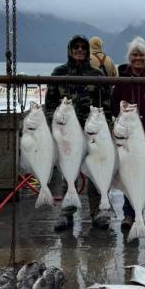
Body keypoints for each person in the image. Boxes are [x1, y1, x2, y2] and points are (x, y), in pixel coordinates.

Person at [44, 34, 111, 232]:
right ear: (70, 50)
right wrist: (54, 128)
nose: (80, 50)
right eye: (76, 47)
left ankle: (98, 213)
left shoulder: (97, 75)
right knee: (68, 174)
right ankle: (66, 214)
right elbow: (50, 106)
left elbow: (105, 105)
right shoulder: (59, 72)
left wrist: (107, 130)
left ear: (88, 50)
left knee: (95, 174)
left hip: (92, 134)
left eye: (83, 47)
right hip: (67, 135)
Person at [110, 36, 145, 231]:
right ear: (129, 57)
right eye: (134, 54)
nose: (138, 58)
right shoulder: (122, 78)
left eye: (141, 55)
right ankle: (130, 213)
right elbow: (113, 105)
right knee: (129, 173)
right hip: (130, 138)